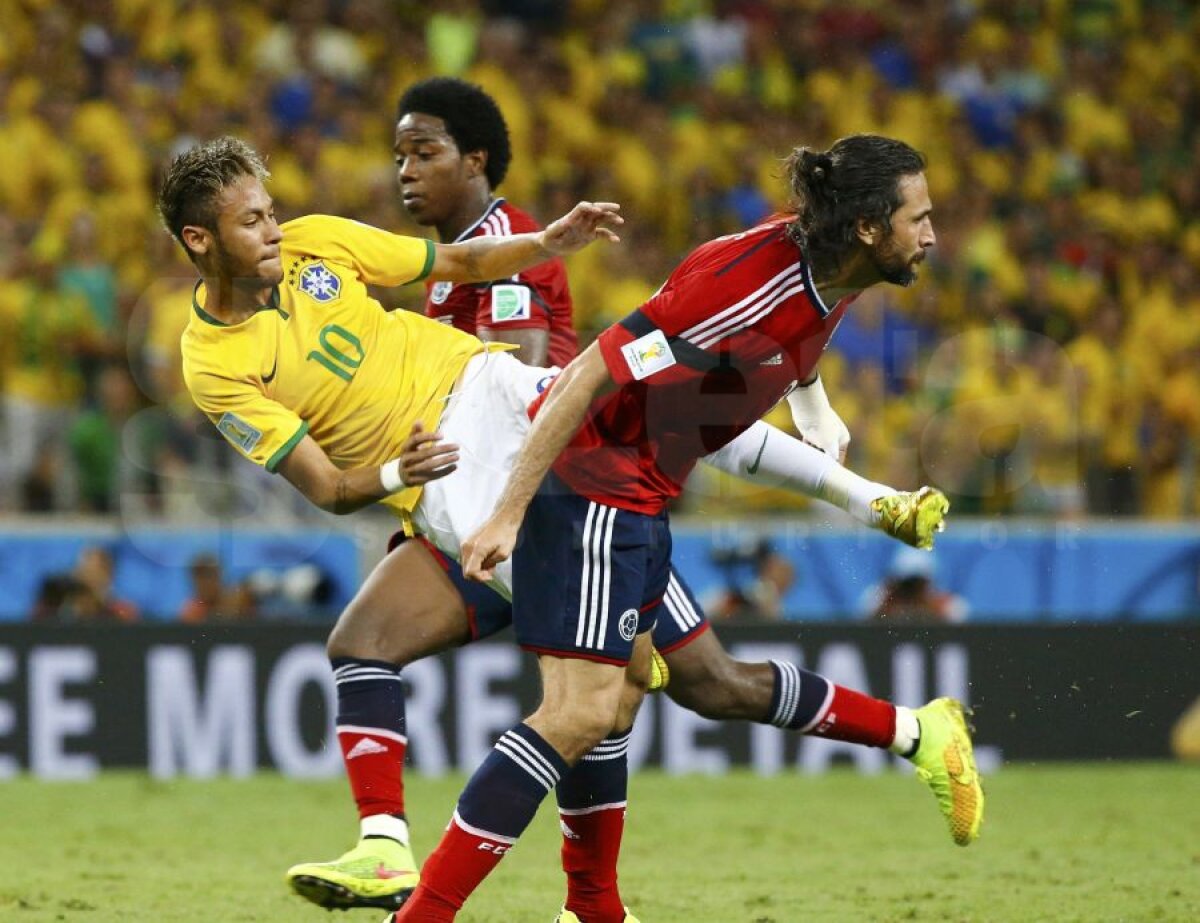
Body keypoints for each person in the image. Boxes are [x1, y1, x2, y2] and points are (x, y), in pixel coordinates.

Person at [283, 81, 956, 920]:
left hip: (562, 487)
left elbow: (544, 379)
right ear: (864, 225)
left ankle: (548, 898)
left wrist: (820, 420)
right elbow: (606, 377)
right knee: (603, 694)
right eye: (919, 217)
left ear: (476, 160)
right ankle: (469, 875)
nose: (404, 172)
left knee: (639, 692)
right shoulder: (764, 273)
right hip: (563, 490)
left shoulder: (507, 247)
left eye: (422, 152)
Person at [861, 546, 969, 625]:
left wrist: (932, 606)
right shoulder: (882, 599)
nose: (910, 591)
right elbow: (861, 620)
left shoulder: (942, 604)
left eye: (917, 584)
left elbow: (963, 619)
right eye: (906, 584)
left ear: (927, 583)